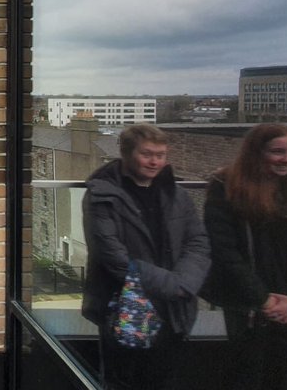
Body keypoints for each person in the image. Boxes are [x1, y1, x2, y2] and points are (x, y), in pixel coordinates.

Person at [203, 124, 287, 389]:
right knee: (247, 374)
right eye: (278, 151)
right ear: (257, 152)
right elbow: (224, 251)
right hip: (246, 303)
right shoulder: (226, 188)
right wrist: (263, 300)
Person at [80, 124, 211, 390]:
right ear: (127, 154)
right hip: (125, 305)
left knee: (166, 379)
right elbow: (112, 255)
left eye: (161, 155)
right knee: (124, 380)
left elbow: (198, 241)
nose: (155, 162)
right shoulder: (101, 195)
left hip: (173, 309)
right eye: (147, 154)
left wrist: (184, 282)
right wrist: (174, 285)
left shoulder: (176, 194)